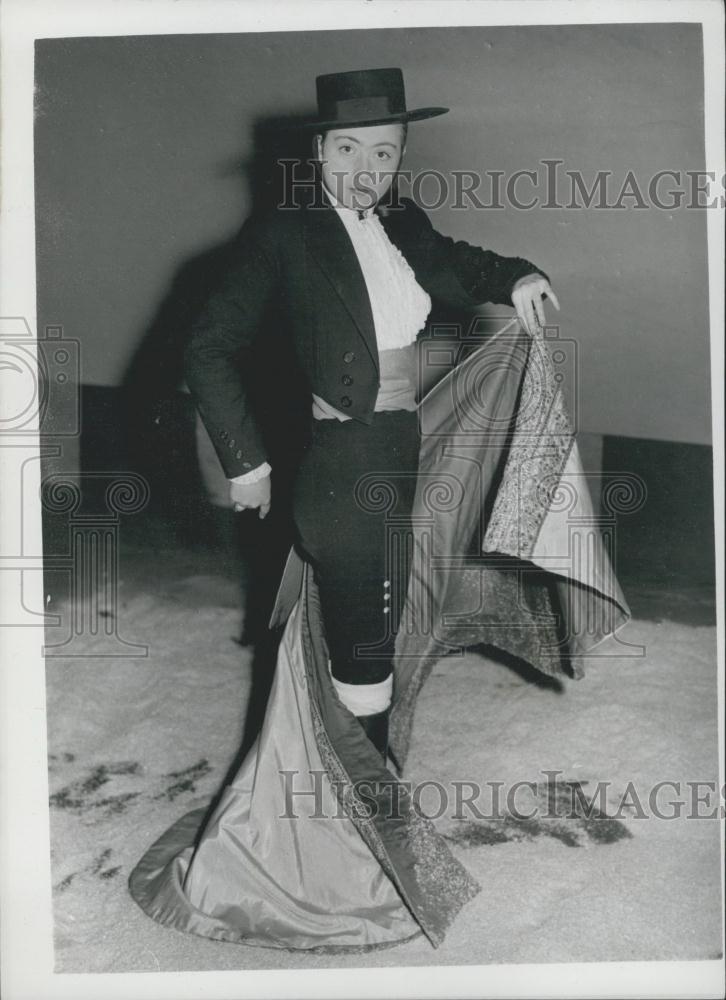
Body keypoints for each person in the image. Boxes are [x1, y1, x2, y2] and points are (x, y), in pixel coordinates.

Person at [129, 67, 612, 954]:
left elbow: (463, 265)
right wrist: (247, 460)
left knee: (376, 630)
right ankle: (358, 831)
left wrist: (523, 276)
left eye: (383, 151)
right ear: (318, 151)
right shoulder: (284, 232)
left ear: (399, 157)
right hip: (340, 463)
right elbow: (209, 345)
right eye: (347, 148)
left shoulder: (399, 219)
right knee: (363, 640)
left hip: (399, 446)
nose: (364, 167)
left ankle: (360, 801)